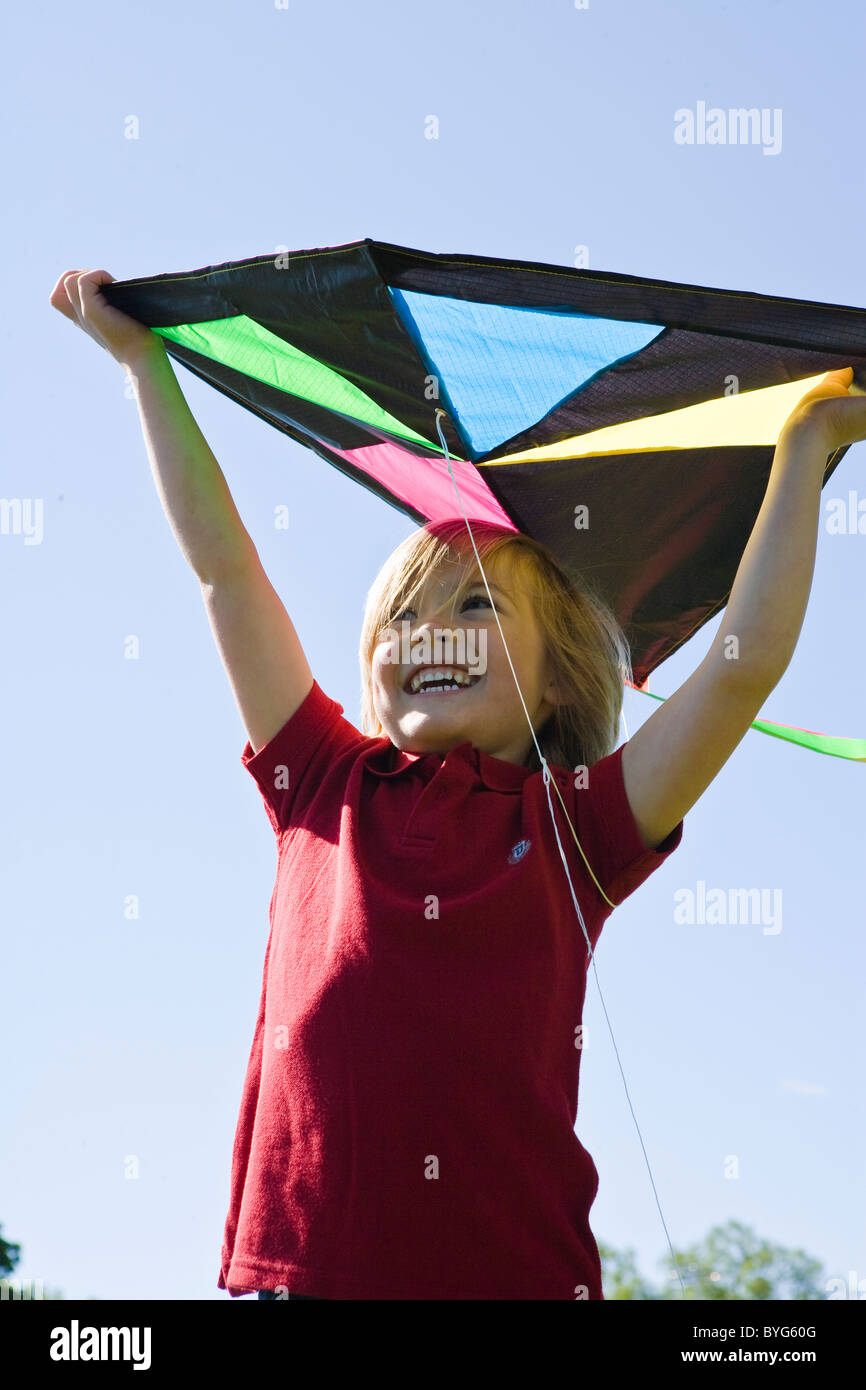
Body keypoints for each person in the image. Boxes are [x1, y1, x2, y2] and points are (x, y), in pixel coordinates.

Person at [50, 268, 866, 1300]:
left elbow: (741, 665)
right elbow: (224, 570)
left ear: (559, 671)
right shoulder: (321, 783)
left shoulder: (578, 827)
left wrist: (802, 449)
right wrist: (143, 366)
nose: (431, 632)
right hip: (299, 1282)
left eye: (476, 605)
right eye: (404, 614)